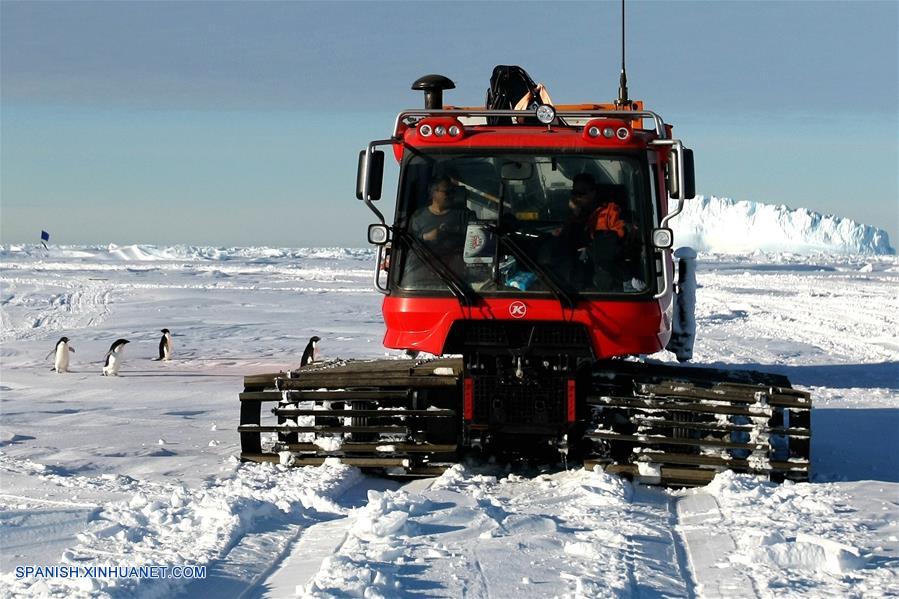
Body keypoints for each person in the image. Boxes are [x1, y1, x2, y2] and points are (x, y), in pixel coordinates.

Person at [410, 177, 471, 254]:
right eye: (446, 192)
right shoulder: (418, 217)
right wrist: (426, 237)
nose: (450, 195)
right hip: (426, 262)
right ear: (433, 193)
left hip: (456, 262)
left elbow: (476, 234)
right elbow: (410, 243)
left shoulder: (464, 213)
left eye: (452, 191)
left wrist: (452, 229)